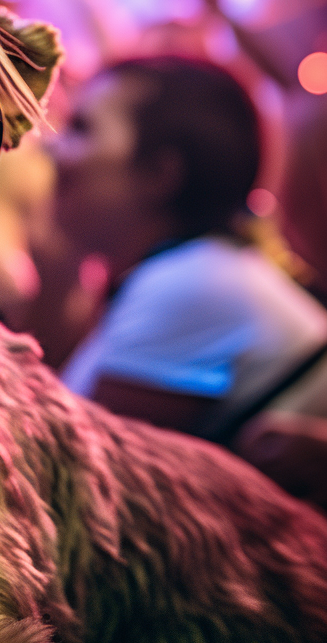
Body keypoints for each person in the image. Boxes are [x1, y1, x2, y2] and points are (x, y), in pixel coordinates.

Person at [52, 55, 327, 436]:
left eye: (81, 129)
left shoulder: (193, 283)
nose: (52, 148)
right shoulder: (197, 269)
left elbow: (63, 460)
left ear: (160, 175)